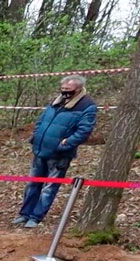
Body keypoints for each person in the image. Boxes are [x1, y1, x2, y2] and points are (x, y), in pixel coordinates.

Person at [14, 75, 98, 228]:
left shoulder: (87, 106)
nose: (64, 91)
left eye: (68, 89)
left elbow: (84, 132)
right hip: (40, 149)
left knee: (49, 187)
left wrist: (64, 145)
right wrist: (36, 136)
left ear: (78, 89)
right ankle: (24, 214)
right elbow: (41, 120)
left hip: (60, 155)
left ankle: (36, 217)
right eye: (63, 88)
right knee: (32, 184)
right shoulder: (56, 101)